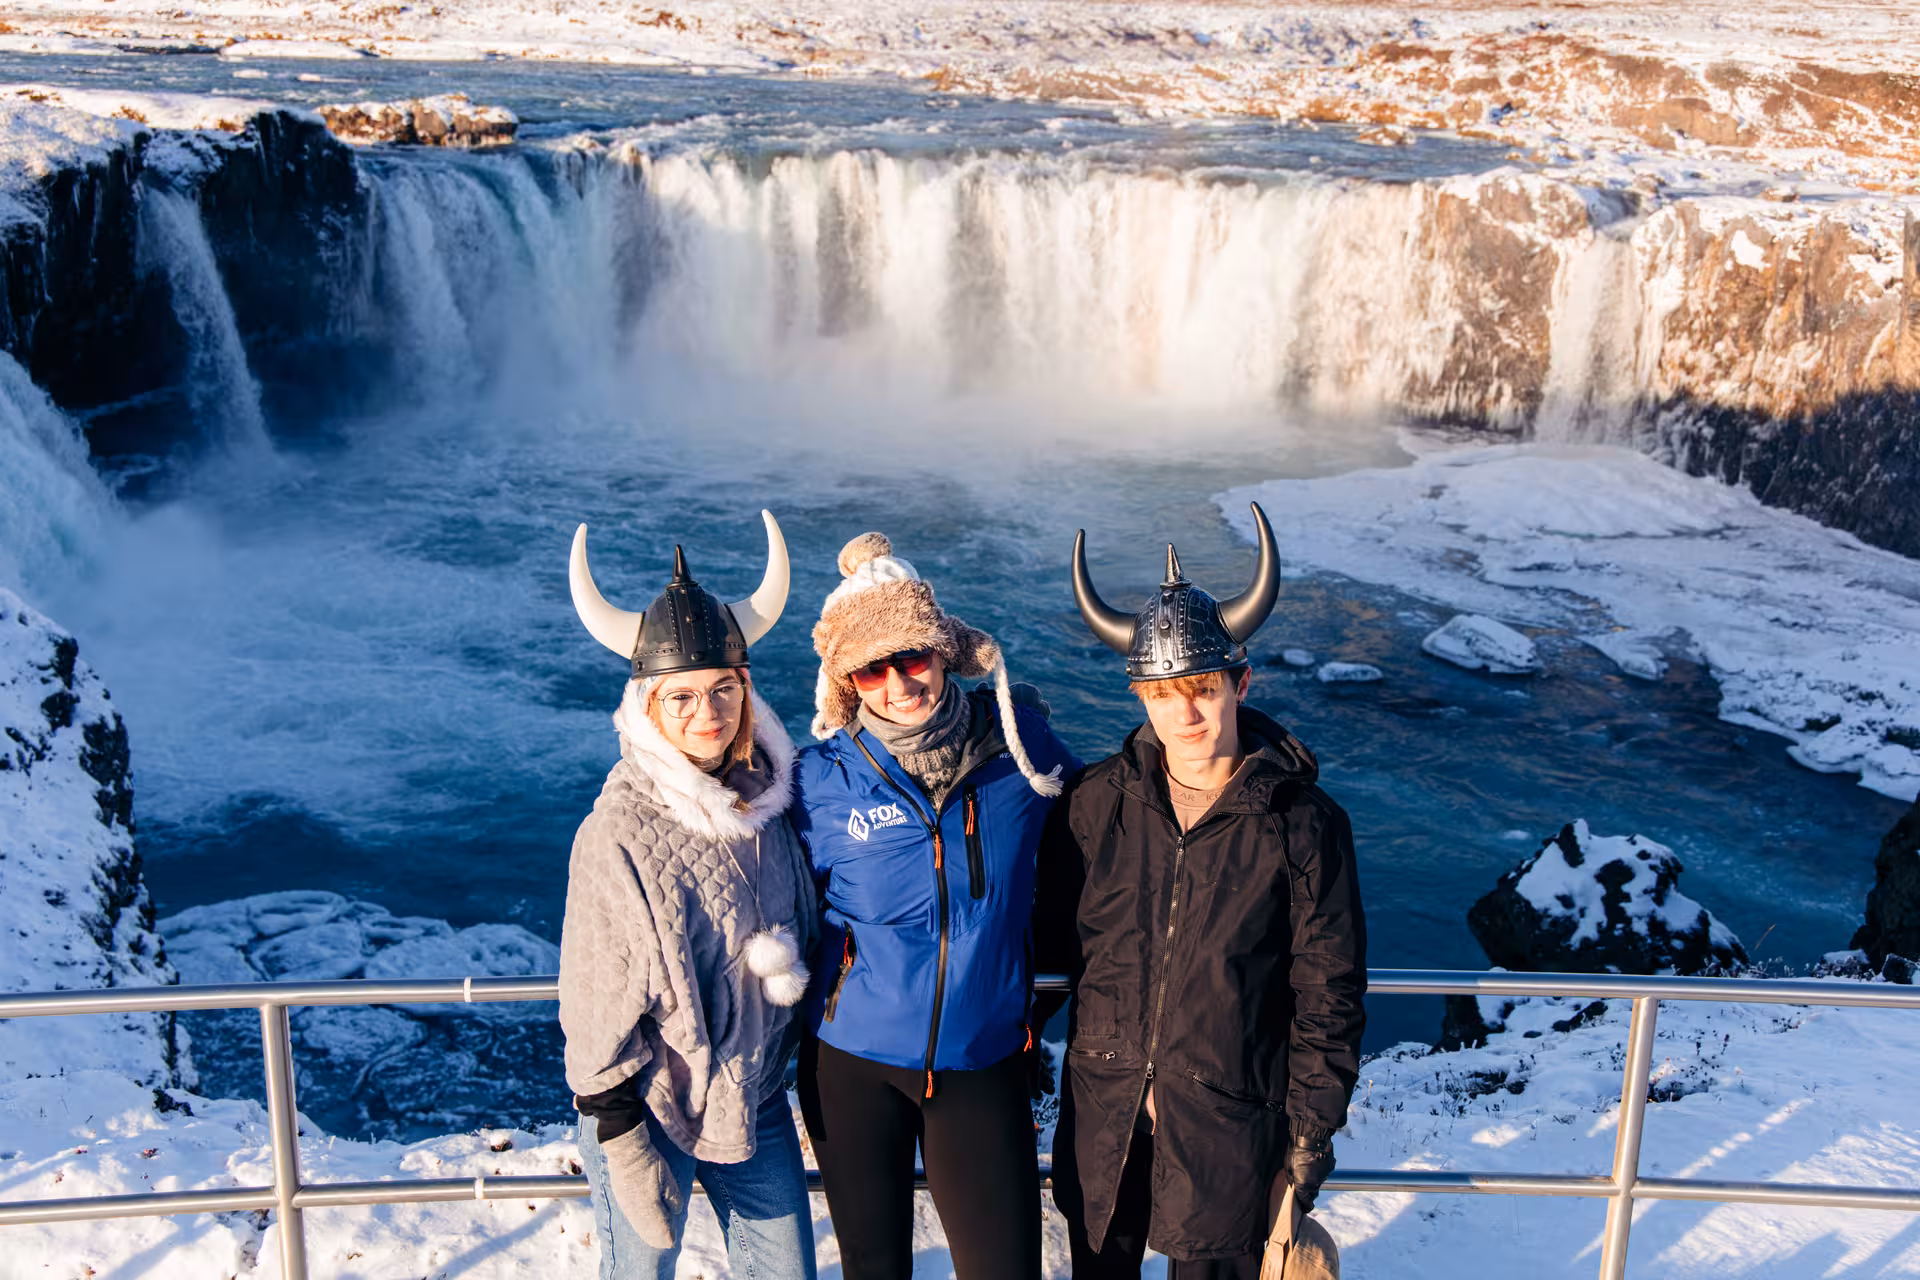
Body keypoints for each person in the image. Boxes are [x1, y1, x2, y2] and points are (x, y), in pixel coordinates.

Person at [1037, 502, 1367, 1280]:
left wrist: (1309, 1139)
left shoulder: (1304, 823)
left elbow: (1329, 993)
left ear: (1240, 683)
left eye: (1203, 688)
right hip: (1105, 1112)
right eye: (1163, 693)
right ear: (1138, 695)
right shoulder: (1093, 806)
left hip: (1230, 1120)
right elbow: (1044, 941)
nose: (1184, 713)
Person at [790, 532, 1080, 1280]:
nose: (898, 683)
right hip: (850, 1062)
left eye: (912, 657)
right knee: (874, 1269)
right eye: (872, 668)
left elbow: (1117, 827)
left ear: (944, 651)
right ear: (847, 681)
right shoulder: (817, 781)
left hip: (982, 1058)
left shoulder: (1022, 751)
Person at [558, 512, 819, 1280]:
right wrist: (618, 1130)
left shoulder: (771, 802)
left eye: (724, 690)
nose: (708, 714)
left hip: (754, 1096)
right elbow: (594, 994)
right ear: (649, 707)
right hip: (650, 1111)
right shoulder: (616, 833)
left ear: (746, 690)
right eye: (682, 698)